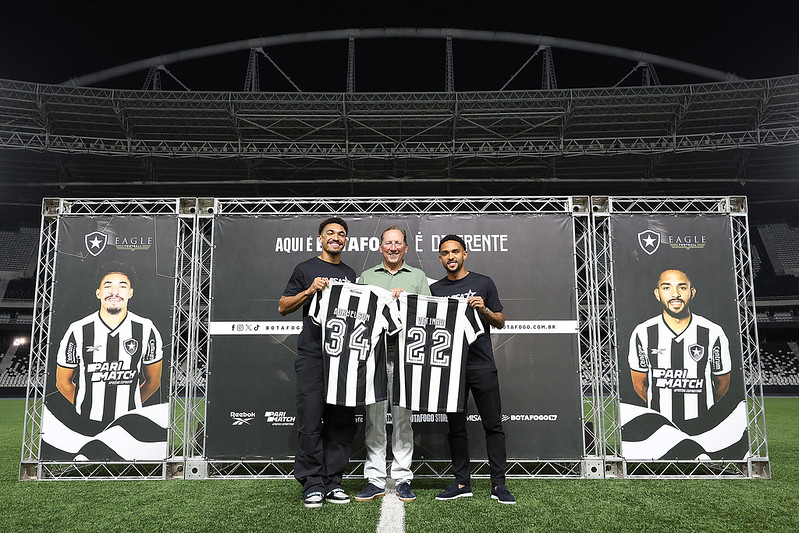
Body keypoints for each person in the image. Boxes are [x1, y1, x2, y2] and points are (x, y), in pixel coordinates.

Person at [429, 234, 515, 505]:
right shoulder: (435, 290)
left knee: (493, 425)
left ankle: (498, 485)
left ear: (465, 254)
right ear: (440, 258)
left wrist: (485, 309)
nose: (450, 257)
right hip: (451, 366)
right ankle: (462, 481)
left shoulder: (483, 282)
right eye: (445, 253)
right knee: (455, 427)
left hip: (481, 363)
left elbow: (500, 321)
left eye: (455, 251)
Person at [278, 217, 358, 508]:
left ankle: (333, 481)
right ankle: (312, 482)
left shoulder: (351, 273)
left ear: (345, 241)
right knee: (311, 419)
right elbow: (283, 307)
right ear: (320, 239)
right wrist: (309, 290)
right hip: (313, 355)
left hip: (344, 357)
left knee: (342, 421)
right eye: (330, 233)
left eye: (340, 234)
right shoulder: (305, 269)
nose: (335, 237)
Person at [355, 226, 431, 503]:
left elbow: (427, 312)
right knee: (374, 420)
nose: (393, 247)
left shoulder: (418, 276)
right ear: (380, 247)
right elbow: (358, 314)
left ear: (406, 248)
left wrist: (408, 300)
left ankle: (402, 478)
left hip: (405, 357)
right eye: (388, 243)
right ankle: (374, 479)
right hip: (373, 357)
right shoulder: (366, 277)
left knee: (402, 421)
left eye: (398, 243)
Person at [55, 262, 163, 433]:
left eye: (122, 286)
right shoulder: (78, 330)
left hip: (129, 424)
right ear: (98, 293)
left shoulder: (146, 329)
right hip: (86, 423)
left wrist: (130, 406)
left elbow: (153, 381)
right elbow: (63, 382)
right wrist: (86, 405)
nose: (114, 291)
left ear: (130, 293)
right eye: (108, 286)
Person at [628, 269, 732, 430]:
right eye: (666, 287)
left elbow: (722, 383)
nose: (675, 294)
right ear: (657, 293)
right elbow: (639, 384)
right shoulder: (643, 332)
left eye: (682, 287)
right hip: (660, 426)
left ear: (692, 292)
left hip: (704, 425)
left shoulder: (712, 331)